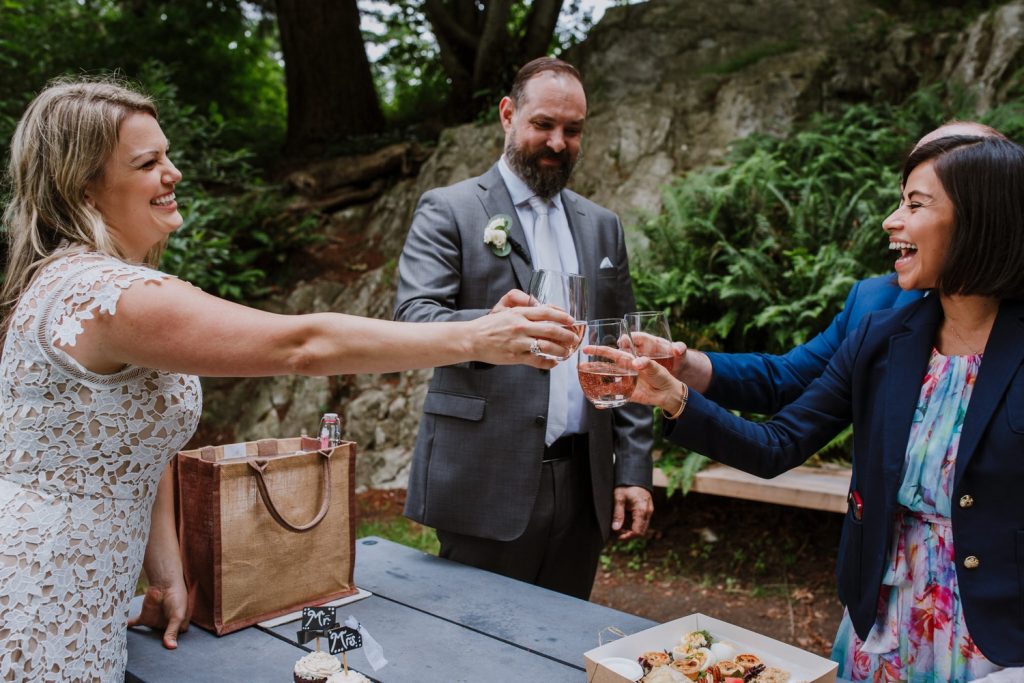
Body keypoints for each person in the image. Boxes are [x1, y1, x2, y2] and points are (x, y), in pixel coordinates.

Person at [0, 78, 577, 682]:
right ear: (84, 186)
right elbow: (303, 345)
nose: (173, 174)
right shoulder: (102, 294)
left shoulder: (88, 285)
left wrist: (166, 571)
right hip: (38, 593)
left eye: (167, 154)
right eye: (148, 163)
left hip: (88, 592)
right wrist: (478, 336)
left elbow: (138, 445)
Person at [622, 135, 1024, 679]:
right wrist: (674, 396)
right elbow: (778, 442)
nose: (890, 220)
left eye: (914, 204)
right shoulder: (882, 336)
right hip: (883, 629)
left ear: (978, 219)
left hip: (998, 641)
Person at [393, 57, 654, 599]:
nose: (558, 142)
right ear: (508, 115)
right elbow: (414, 319)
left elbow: (624, 350)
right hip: (485, 477)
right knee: (474, 653)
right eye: (543, 124)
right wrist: (493, 326)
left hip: (584, 485)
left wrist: (631, 468)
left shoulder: (602, 226)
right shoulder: (450, 210)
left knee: (561, 645)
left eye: (573, 130)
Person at [668, 121, 1008, 414]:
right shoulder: (875, 302)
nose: (890, 221)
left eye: (916, 203)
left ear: (983, 207)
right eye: (902, 198)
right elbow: (791, 380)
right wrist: (682, 366)